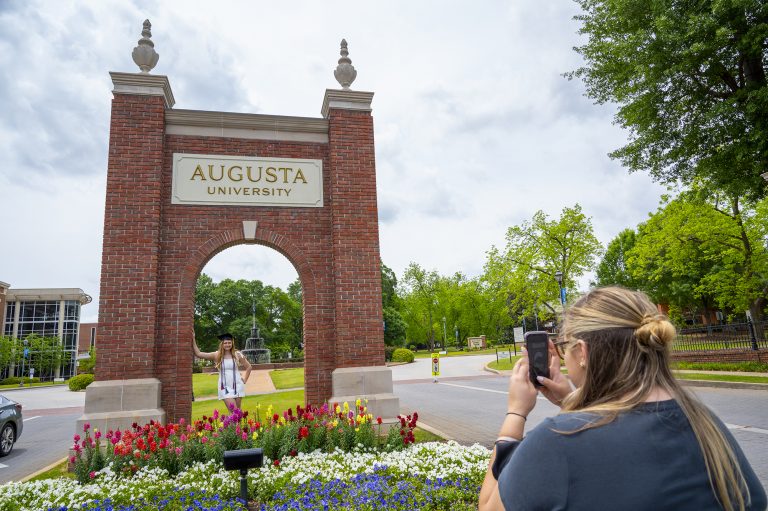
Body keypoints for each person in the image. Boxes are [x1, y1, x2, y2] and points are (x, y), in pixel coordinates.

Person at [479, 286, 766, 511]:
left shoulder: (558, 440)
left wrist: (516, 413)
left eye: (565, 346)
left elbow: (490, 507)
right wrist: (571, 398)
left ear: (583, 352)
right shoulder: (705, 423)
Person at [193, 331, 252, 410]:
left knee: (238, 412)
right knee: (234, 411)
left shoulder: (237, 354)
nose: (227, 345)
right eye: (225, 343)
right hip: (224, 387)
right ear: (222, 344)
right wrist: (193, 339)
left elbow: (249, 367)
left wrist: (244, 380)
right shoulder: (217, 355)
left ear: (232, 343)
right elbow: (199, 354)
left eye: (229, 343)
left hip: (237, 386)